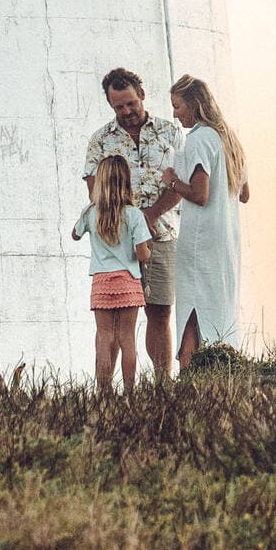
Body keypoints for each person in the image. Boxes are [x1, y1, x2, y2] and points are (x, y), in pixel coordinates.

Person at [82, 65, 184, 378]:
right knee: (112, 321)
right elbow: (94, 191)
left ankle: (162, 383)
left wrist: (150, 215)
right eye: (119, 106)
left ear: (141, 95)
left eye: (131, 103)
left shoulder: (169, 132)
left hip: (162, 235)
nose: (126, 111)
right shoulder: (100, 140)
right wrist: (127, 223)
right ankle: (106, 391)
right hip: (116, 247)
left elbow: (183, 182)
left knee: (160, 311)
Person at [154, 74, 249, 369]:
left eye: (178, 105)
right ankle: (222, 368)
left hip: (200, 239)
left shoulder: (199, 139)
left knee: (192, 307)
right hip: (226, 239)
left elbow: (200, 194)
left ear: (194, 104)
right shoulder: (229, 138)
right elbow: (244, 194)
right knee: (219, 306)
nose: (174, 113)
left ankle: (189, 374)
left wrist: (172, 182)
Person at [72, 152, 151, 391]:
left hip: (102, 282)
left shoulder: (90, 213)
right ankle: (129, 391)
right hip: (128, 281)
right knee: (127, 338)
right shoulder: (134, 215)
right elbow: (142, 254)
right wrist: (149, 249)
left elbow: (74, 235)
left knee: (103, 337)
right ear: (126, 182)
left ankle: (103, 391)